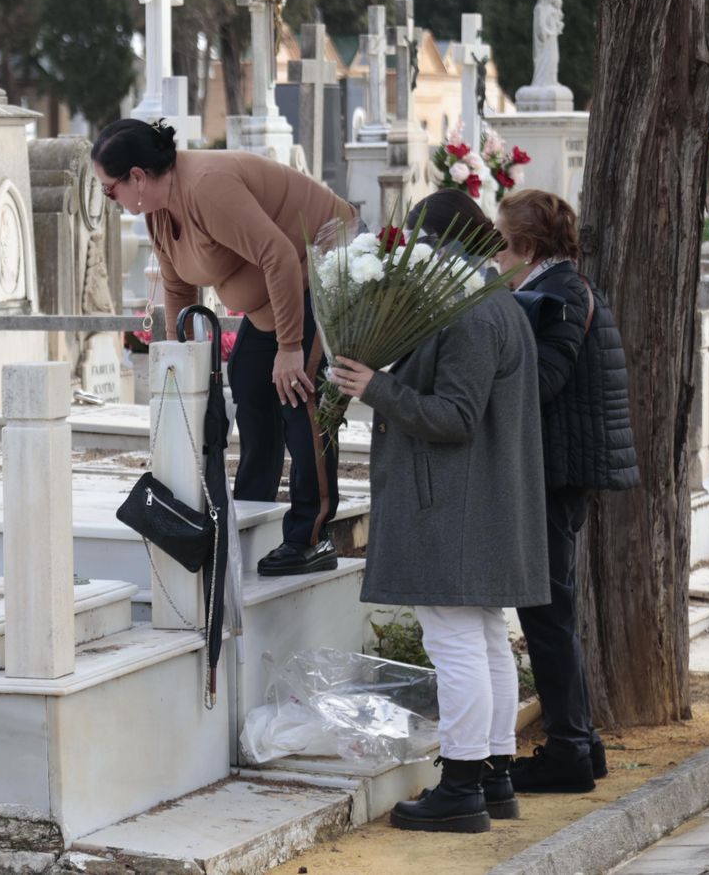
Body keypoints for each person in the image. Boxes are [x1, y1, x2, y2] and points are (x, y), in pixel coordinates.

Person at [330, 189, 549, 833]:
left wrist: (377, 387)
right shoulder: (488, 300)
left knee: (456, 642)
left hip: (454, 505)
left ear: (442, 245)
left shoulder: (472, 312)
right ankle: (493, 775)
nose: (416, 259)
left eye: (421, 246)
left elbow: (455, 417)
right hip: (473, 502)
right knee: (483, 640)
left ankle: (461, 787)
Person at [90, 118, 359, 576]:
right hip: (272, 300)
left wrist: (291, 348)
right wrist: (184, 361)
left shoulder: (206, 187)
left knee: (299, 396)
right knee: (249, 381)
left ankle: (311, 537)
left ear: (137, 176)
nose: (108, 199)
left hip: (318, 269)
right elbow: (178, 288)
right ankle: (252, 508)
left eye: (108, 189)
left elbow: (276, 254)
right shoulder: (158, 210)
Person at [494, 189, 640, 794]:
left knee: (547, 613)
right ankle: (583, 742)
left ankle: (570, 753)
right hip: (563, 465)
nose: (494, 256)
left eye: (500, 243)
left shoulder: (555, 293)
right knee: (554, 609)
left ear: (527, 247)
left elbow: (547, 379)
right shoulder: (561, 288)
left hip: (556, 471)